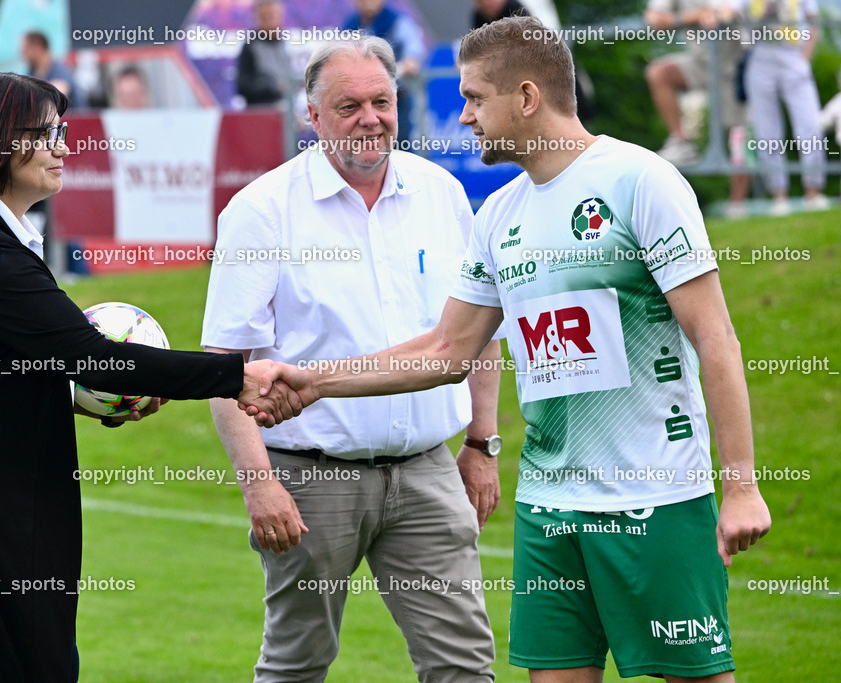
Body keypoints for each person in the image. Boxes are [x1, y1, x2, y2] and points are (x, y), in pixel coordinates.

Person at [246, 17, 772, 682]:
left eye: (474, 98)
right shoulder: (498, 213)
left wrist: (742, 486)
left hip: (656, 498)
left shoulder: (642, 181)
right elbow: (446, 349)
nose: (463, 116)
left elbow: (716, 339)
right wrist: (315, 381)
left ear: (526, 97)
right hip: (549, 508)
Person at [0, 70, 299, 682]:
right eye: (46, 133)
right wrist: (236, 375)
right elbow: (95, 356)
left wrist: (84, 400)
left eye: (63, 131)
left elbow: (9, 365)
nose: (62, 146)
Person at [202, 36, 501, 683]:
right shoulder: (261, 211)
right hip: (311, 479)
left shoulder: (442, 193)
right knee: (297, 662)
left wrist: (483, 442)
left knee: (464, 663)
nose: (371, 118)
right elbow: (226, 367)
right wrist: (259, 483)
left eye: (381, 102)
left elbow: (479, 331)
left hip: (427, 472)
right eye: (349, 106)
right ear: (312, 117)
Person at [644, 1, 753, 217]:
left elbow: (725, 13)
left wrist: (682, 19)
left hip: (734, 68)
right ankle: (681, 143)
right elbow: (653, 19)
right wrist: (690, 17)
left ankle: (737, 205)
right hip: (700, 63)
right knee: (659, 73)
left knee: (739, 134)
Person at [732, 0, 828, 215]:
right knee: (767, 131)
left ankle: (814, 192)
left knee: (811, 126)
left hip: (793, 55)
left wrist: (804, 58)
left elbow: (813, 21)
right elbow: (730, 12)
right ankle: (779, 196)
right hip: (759, 57)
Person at [342, 0, 426, 142]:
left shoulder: (396, 21)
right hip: (359, 99)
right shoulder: (350, 25)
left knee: (398, 141)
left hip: (393, 97)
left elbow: (414, 51)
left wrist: (408, 62)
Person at [236, 0, 293, 106]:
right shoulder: (250, 46)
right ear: (256, 18)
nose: (268, 21)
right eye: (264, 17)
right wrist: (272, 87)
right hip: (261, 109)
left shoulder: (284, 44)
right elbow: (242, 86)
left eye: (271, 16)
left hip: (285, 108)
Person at [22, 31, 84, 109]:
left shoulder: (60, 70)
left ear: (37, 47)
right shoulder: (31, 72)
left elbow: (60, 92)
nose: (23, 54)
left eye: (25, 49)